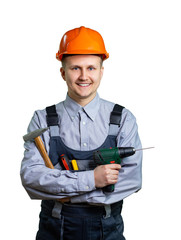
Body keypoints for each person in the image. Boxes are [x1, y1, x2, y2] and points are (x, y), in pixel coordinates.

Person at [20, 26, 142, 240]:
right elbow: (32, 177)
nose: (84, 76)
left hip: (108, 228)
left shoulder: (123, 118)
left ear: (101, 71)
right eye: (75, 68)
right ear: (62, 72)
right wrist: (93, 180)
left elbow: (132, 179)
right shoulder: (43, 119)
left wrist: (62, 188)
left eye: (91, 68)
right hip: (56, 228)